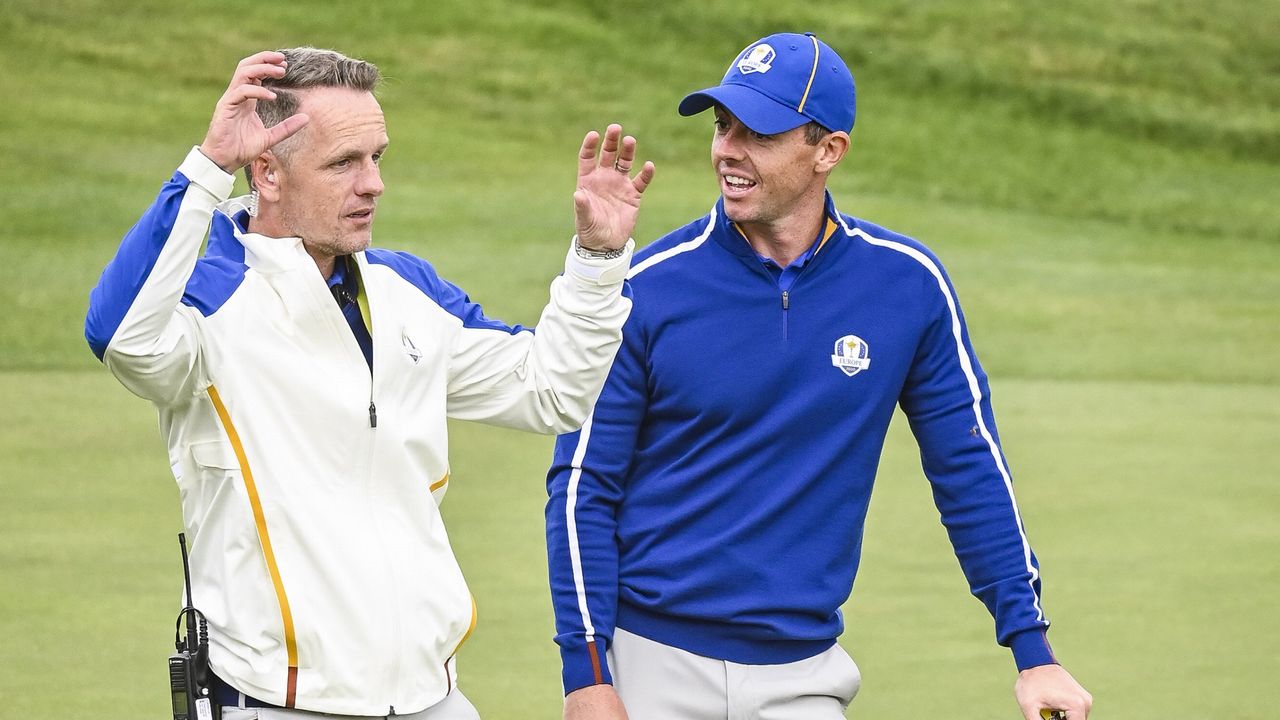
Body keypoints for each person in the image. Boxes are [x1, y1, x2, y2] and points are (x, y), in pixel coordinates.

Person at [85, 47, 654, 719]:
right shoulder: (211, 300)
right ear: (266, 172)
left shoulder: (405, 288)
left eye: (376, 157)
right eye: (343, 164)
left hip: (433, 699)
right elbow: (121, 336)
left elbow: (549, 390)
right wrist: (209, 167)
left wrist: (597, 258)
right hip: (273, 703)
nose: (373, 184)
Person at [545, 32, 1092, 720]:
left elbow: (970, 466)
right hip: (650, 664)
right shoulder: (643, 287)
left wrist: (1033, 650)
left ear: (828, 150)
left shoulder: (906, 286)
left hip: (802, 674)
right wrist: (587, 674)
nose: (728, 151)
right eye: (722, 125)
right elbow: (581, 488)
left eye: (761, 132)